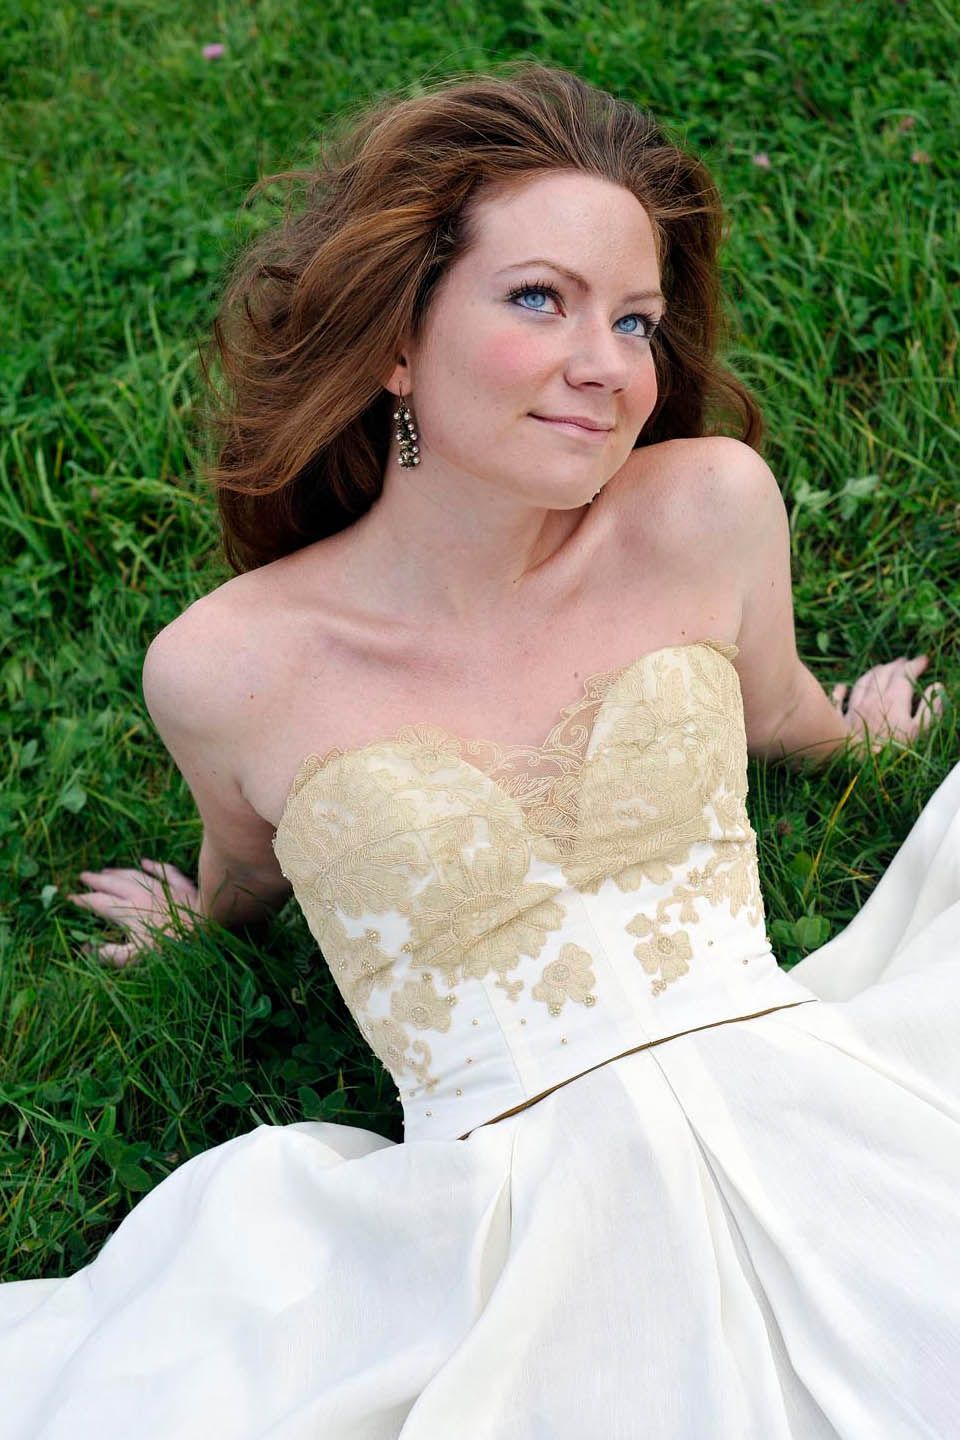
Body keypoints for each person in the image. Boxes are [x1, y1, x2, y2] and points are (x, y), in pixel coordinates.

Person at [1, 60, 957, 1440]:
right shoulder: (228, 668)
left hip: (824, 1113)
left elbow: (774, 711)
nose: (608, 369)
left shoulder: (703, 509)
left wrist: (855, 738)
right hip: (498, 1217)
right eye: (538, 300)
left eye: (635, 320)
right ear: (398, 339)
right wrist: (197, 920)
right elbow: (255, 865)